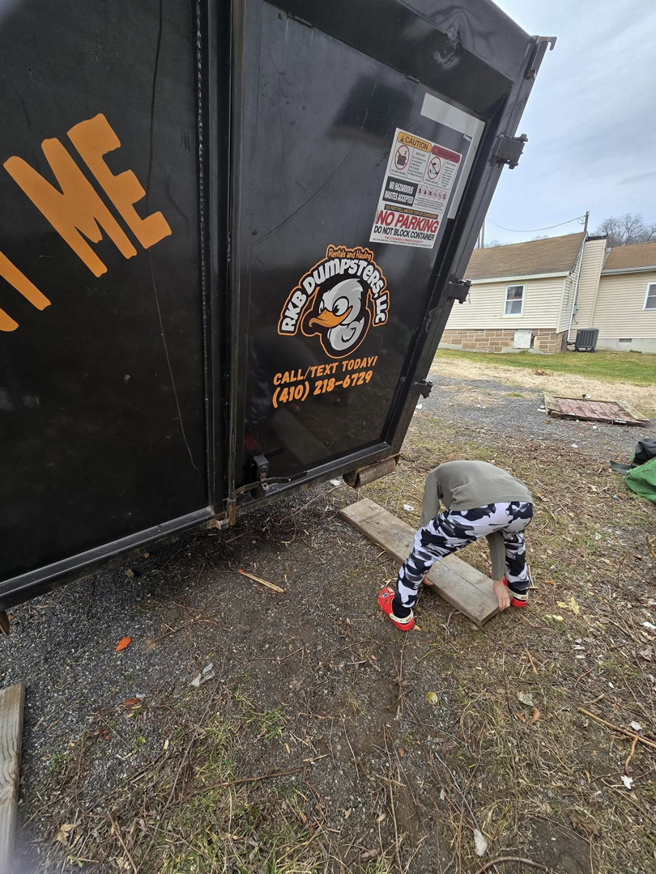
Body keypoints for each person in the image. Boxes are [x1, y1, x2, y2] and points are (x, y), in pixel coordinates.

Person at [378, 460, 533, 631]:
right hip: (524, 504)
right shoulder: (477, 472)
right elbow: (496, 530)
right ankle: (518, 589)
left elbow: (428, 520)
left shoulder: (435, 475)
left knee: (424, 542)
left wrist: (425, 562)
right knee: (512, 541)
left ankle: (400, 610)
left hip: (482, 506)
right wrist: (497, 581)